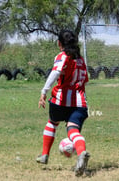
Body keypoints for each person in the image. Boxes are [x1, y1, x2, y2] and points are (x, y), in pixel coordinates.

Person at [36, 29, 90, 177]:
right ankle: (81, 153)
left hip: (60, 101)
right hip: (80, 103)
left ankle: (44, 155)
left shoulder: (62, 56)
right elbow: (85, 80)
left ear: (60, 44)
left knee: (52, 122)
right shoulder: (81, 60)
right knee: (73, 130)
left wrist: (44, 91)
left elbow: (55, 72)